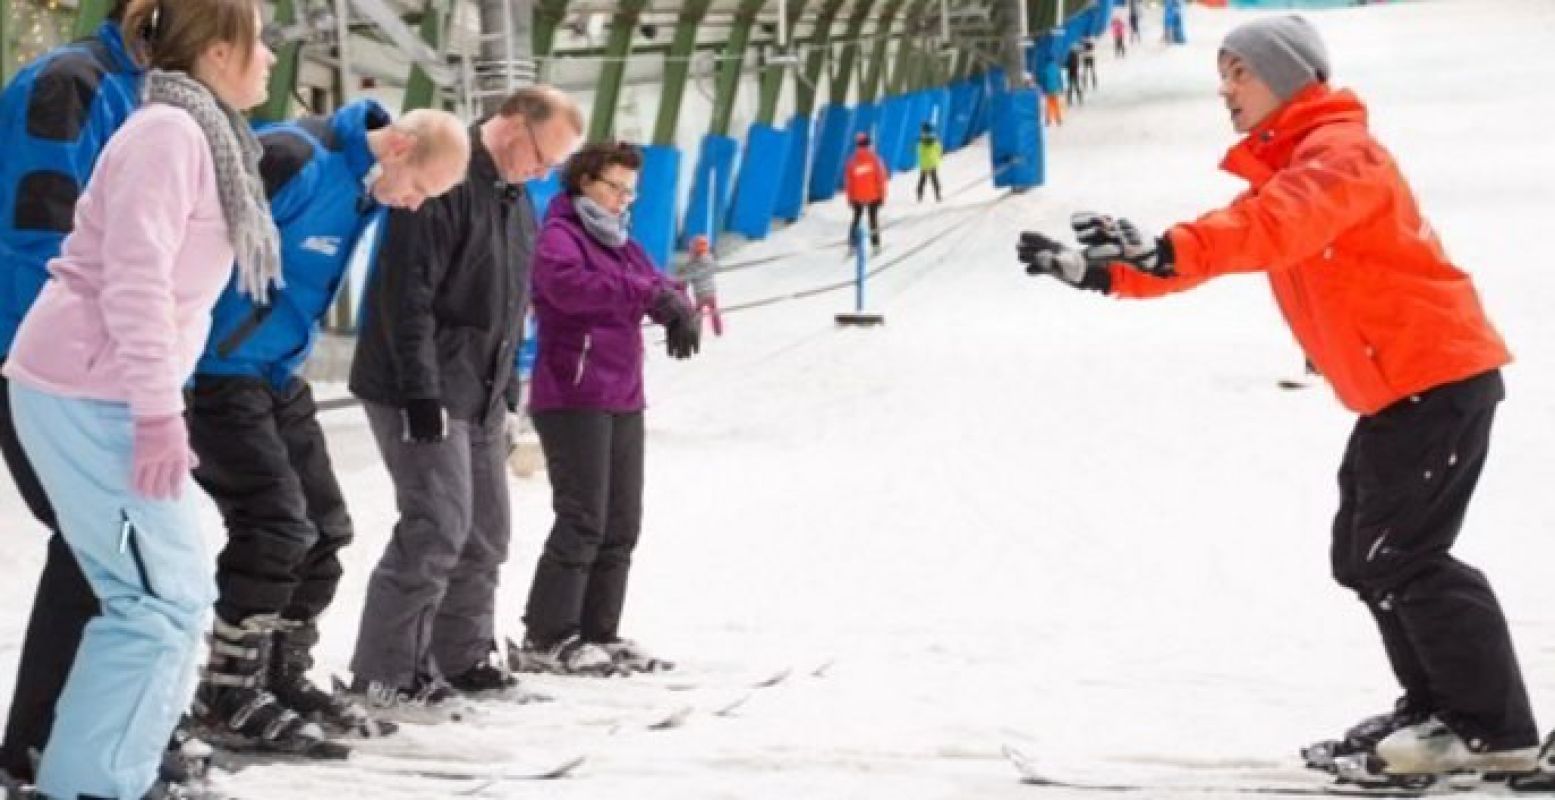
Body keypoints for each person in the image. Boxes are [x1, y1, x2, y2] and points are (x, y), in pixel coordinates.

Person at [1018, 15, 1540, 779]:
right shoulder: (1295, 166)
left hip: (1436, 377)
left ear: (1288, 76)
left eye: (1239, 72)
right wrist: (1104, 271)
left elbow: (1269, 225)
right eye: (1222, 74)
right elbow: (1247, 238)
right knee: (1364, 557)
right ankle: (1437, 710)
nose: (1224, 89)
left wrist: (1162, 243)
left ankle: (1491, 728)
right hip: (1399, 392)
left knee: (1401, 554)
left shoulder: (1340, 157)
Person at [2, 0, 280, 793]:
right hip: (89, 390)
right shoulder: (169, 134)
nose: (269, 58)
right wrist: (159, 414)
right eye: (259, 41)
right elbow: (134, 282)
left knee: (155, 598)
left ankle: (92, 775)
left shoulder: (200, 133)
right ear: (220, 50)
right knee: (158, 603)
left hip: (102, 387)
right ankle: (92, 782)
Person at [188, 101, 469, 755]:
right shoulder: (293, 159)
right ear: (398, 147)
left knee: (325, 529)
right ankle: (225, 693)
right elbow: (190, 249)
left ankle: (279, 678)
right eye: (422, 189)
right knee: (276, 525)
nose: (416, 206)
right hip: (218, 371)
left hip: (277, 373)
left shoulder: (365, 187)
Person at [345, 85, 582, 718]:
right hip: (418, 390)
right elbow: (407, 297)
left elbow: (507, 305)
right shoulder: (446, 178)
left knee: (485, 534)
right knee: (436, 529)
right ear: (510, 124)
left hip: (478, 393)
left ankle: (461, 657)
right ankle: (387, 674)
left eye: (551, 166)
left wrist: (507, 391)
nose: (542, 172)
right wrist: (422, 396)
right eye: (541, 156)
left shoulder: (514, 200)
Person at [0, 0, 144, 786]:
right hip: (33, 351)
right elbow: (37, 230)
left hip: (82, 359)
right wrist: (74, 357)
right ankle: (46, 743)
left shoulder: (144, 93)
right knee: (100, 544)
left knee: (107, 547)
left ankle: (60, 736)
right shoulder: (72, 82)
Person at [512, 141, 700, 675]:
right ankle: (548, 635)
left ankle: (599, 631)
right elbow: (572, 289)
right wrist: (647, 296)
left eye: (629, 190)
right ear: (585, 182)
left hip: (621, 393)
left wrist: (676, 301)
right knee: (583, 518)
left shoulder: (619, 242)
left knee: (621, 522)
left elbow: (653, 280)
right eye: (614, 187)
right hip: (573, 393)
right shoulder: (560, 237)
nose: (623, 199)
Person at [843, 132, 887, 254]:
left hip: (857, 196)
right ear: (869, 144)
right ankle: (876, 245)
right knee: (873, 219)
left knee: (856, 219)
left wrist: (850, 199)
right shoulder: (875, 159)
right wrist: (882, 196)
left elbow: (849, 182)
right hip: (874, 195)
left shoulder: (852, 161)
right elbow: (880, 179)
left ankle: (852, 244)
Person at [678, 234, 723, 337]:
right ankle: (718, 330)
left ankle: (697, 333)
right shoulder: (710, 259)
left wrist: (682, 284)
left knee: (698, 314)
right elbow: (717, 267)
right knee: (714, 311)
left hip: (700, 294)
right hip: (711, 292)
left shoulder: (692, 264)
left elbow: (687, 278)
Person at [916, 123, 943, 203]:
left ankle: (919, 196)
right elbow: (939, 150)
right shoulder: (935, 141)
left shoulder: (921, 141)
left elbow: (919, 151)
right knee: (934, 179)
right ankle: (938, 195)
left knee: (922, 180)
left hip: (924, 163)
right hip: (933, 162)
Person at [1041, 59, 1065, 127]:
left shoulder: (1045, 69)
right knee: (1056, 104)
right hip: (1055, 89)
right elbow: (1059, 79)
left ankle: (1048, 120)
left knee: (1048, 105)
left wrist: (1043, 89)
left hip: (1048, 89)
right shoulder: (1057, 68)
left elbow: (1043, 80)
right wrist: (1061, 88)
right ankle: (1058, 119)